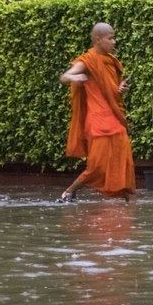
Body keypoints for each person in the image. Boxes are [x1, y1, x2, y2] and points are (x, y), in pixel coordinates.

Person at [57, 22, 136, 203]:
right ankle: (69, 191)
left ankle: (125, 200)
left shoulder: (111, 61)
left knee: (122, 158)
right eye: (110, 38)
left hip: (114, 119)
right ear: (98, 40)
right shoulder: (87, 61)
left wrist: (119, 88)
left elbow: (110, 91)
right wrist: (74, 77)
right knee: (97, 166)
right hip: (98, 120)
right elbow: (65, 76)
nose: (114, 42)